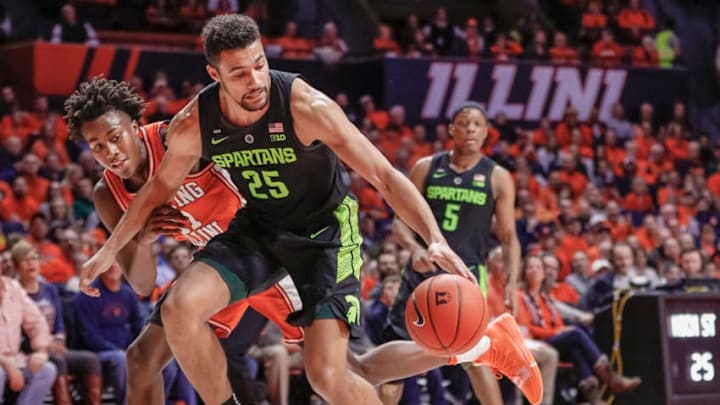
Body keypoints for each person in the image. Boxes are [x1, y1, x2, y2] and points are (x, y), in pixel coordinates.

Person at [78, 14, 473, 405]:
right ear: (214, 76)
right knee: (161, 334)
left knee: (334, 373)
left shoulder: (307, 106)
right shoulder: (194, 124)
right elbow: (157, 191)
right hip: (254, 234)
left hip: (322, 232)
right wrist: (110, 250)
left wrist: (434, 237)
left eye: (260, 65)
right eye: (238, 73)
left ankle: (472, 346)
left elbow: (384, 175)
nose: (255, 81)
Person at [63, 77, 304, 404]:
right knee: (141, 359)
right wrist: (144, 239)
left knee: (339, 367)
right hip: (215, 267)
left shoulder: (175, 138)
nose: (111, 153)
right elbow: (142, 284)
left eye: (115, 137)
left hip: (263, 251)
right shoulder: (107, 193)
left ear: (135, 126)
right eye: (98, 146)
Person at [375, 102, 541, 405]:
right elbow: (400, 223)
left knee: (476, 361)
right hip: (420, 275)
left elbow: (508, 237)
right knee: (393, 363)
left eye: (478, 124)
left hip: (465, 277)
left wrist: (513, 285)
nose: (471, 130)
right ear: (451, 129)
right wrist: (414, 250)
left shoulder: (497, 176)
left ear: (487, 132)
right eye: (464, 123)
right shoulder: (426, 167)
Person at [517, 255, 641, 404]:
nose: (535, 271)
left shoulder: (546, 297)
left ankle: (594, 397)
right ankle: (610, 377)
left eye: (538, 267)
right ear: (524, 272)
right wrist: (557, 332)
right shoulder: (520, 296)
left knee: (576, 348)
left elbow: (556, 323)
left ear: (543, 273)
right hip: (536, 343)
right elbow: (527, 327)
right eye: (530, 267)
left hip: (554, 339)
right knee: (576, 334)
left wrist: (561, 329)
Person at [11, 240, 103, 405]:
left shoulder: (50, 290)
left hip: (54, 346)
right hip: (29, 351)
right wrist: (45, 346)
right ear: (17, 267)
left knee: (90, 360)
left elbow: (59, 323)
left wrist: (59, 340)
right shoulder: (14, 293)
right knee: (58, 361)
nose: (31, 263)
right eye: (25, 260)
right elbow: (15, 332)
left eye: (33, 258)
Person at [0, 274, 57, 405]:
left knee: (46, 370)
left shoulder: (12, 287)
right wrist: (6, 363)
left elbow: (37, 322)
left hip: (16, 359)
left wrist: (41, 351)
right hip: (2, 362)